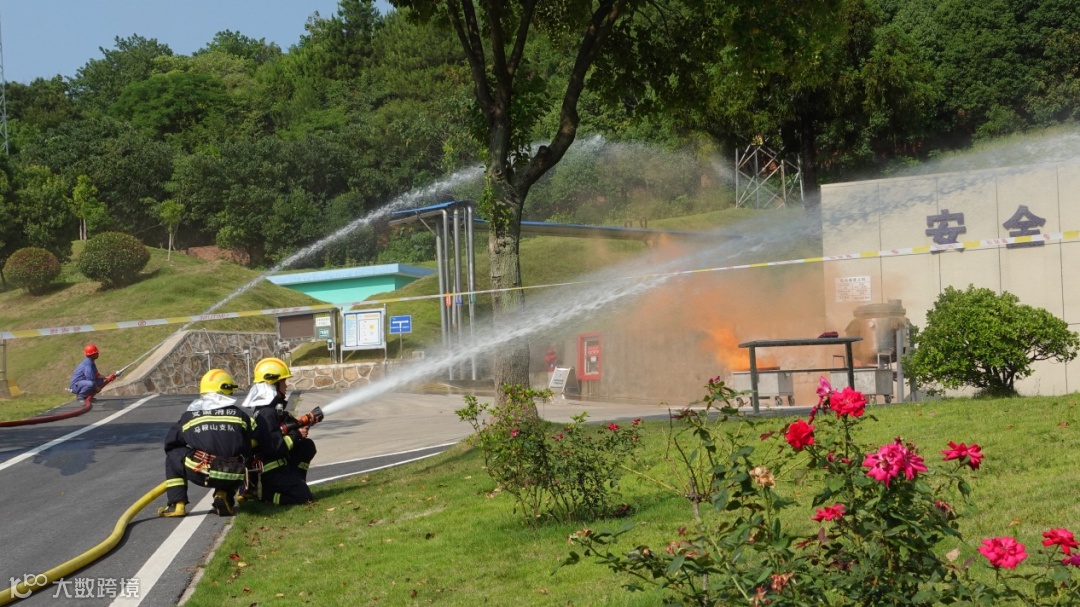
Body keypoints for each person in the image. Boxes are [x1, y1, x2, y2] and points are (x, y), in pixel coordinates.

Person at [158, 369, 254, 518]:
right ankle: (224, 494)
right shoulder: (241, 416)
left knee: (173, 455)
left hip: (203, 471)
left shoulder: (190, 416)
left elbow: (171, 442)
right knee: (234, 458)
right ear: (226, 390)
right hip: (233, 474)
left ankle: (177, 504)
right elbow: (247, 449)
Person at [240, 357, 317, 505]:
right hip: (271, 472)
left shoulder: (271, 409)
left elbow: (287, 425)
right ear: (273, 384)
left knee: (307, 446)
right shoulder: (267, 413)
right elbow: (275, 448)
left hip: (279, 467)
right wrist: (297, 434)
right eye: (283, 381)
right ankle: (269, 496)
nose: (286, 386)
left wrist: (305, 422)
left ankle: (297, 481)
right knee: (303, 497)